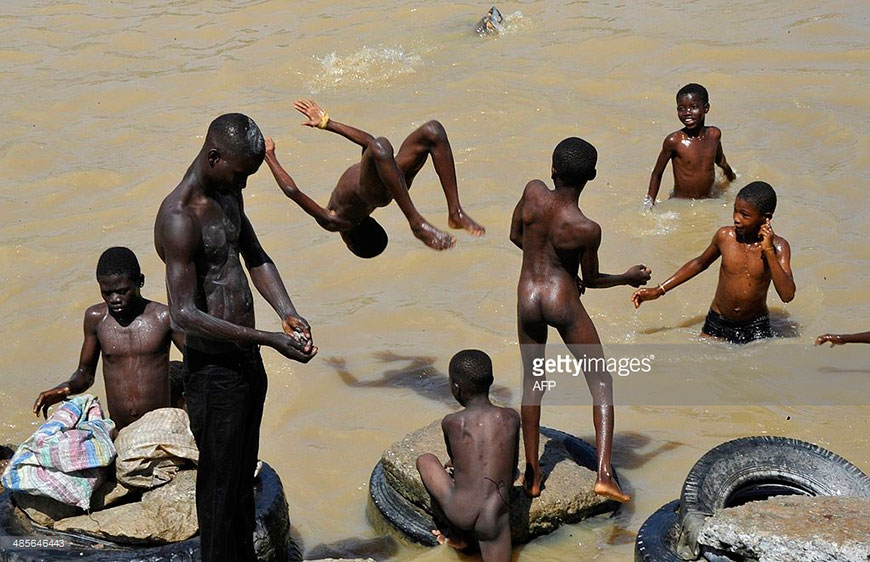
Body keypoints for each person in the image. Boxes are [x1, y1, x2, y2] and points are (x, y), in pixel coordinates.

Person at [154, 113, 316, 562]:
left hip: (247, 364)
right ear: (214, 156)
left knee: (243, 481)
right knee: (219, 493)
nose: (244, 186)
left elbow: (256, 257)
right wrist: (265, 337)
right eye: (241, 174)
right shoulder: (178, 217)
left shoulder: (227, 196)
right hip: (213, 374)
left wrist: (288, 314)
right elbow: (184, 315)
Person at [510, 137, 650, 501]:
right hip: (561, 299)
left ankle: (533, 475)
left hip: (528, 296)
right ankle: (604, 474)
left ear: (552, 168)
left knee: (533, 381)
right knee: (601, 381)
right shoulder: (587, 228)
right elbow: (592, 280)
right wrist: (628, 278)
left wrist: (543, 260)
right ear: (592, 175)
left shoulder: (532, 192)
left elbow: (516, 236)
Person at [263, 99, 484, 258]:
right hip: (379, 189)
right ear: (349, 243)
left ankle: (445, 215)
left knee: (428, 133)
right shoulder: (340, 219)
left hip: (388, 179)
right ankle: (430, 218)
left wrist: (326, 123)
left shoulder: (337, 219)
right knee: (406, 139)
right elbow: (293, 192)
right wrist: (271, 156)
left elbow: (369, 143)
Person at [32, 247, 184, 433]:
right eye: (107, 292)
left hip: (159, 426)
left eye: (122, 291)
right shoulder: (96, 318)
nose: (114, 299)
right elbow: (85, 374)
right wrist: (63, 389)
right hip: (120, 429)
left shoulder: (163, 317)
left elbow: (197, 358)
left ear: (140, 282)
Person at [633, 181, 795, 344]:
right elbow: (699, 263)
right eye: (735, 211)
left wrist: (768, 251)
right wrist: (659, 290)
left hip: (755, 325)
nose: (736, 219)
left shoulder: (779, 247)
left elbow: (787, 295)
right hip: (718, 322)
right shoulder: (725, 237)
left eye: (744, 215)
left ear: (766, 218)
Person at [416, 350, 520, 561]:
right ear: (490, 381)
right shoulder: (511, 417)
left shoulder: (453, 422)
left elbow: (455, 460)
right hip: (495, 513)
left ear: (456, 387)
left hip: (460, 510)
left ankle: (458, 537)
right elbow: (512, 466)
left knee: (425, 460)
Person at [645, 83, 736, 208]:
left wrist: (731, 177)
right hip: (682, 203)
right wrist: (649, 203)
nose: (687, 112)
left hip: (708, 200)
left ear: (706, 108)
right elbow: (657, 173)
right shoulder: (674, 141)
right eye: (681, 108)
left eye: (693, 107)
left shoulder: (714, 135)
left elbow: (720, 160)